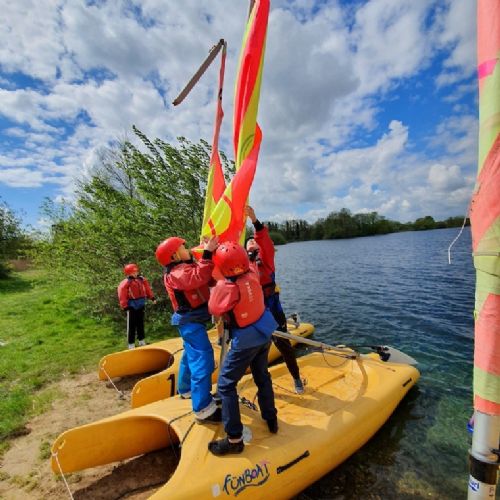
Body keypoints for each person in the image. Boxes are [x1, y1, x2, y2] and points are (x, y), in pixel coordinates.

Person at [207, 241, 278, 456]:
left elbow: (214, 307)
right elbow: (240, 267)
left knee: (226, 385)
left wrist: (209, 256)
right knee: (262, 375)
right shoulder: (253, 272)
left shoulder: (227, 287)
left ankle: (234, 439)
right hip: (265, 332)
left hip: (246, 341)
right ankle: (271, 417)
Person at [156, 235, 221, 423]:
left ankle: (185, 389)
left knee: (189, 355)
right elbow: (197, 277)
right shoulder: (177, 273)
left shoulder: (184, 267)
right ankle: (203, 409)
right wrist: (207, 253)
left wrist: (208, 254)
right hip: (190, 322)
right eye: (183, 248)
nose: (188, 249)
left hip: (192, 321)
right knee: (202, 359)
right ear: (175, 256)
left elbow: (204, 276)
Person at [245, 206, 305, 394]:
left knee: (285, 347)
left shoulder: (267, 260)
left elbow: (264, 241)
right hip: (255, 316)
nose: (252, 241)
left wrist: (254, 220)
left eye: (254, 240)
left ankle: (296, 378)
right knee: (257, 353)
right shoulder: (243, 267)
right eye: (248, 241)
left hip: (273, 312)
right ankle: (263, 386)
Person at [117, 263, 157, 349]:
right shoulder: (126, 282)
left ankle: (141, 341)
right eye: (133, 272)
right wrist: (124, 305)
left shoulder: (142, 279)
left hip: (141, 304)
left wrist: (152, 297)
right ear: (128, 273)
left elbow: (147, 289)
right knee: (131, 325)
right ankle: (131, 344)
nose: (135, 273)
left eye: (136, 271)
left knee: (140, 324)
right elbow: (122, 294)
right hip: (131, 306)